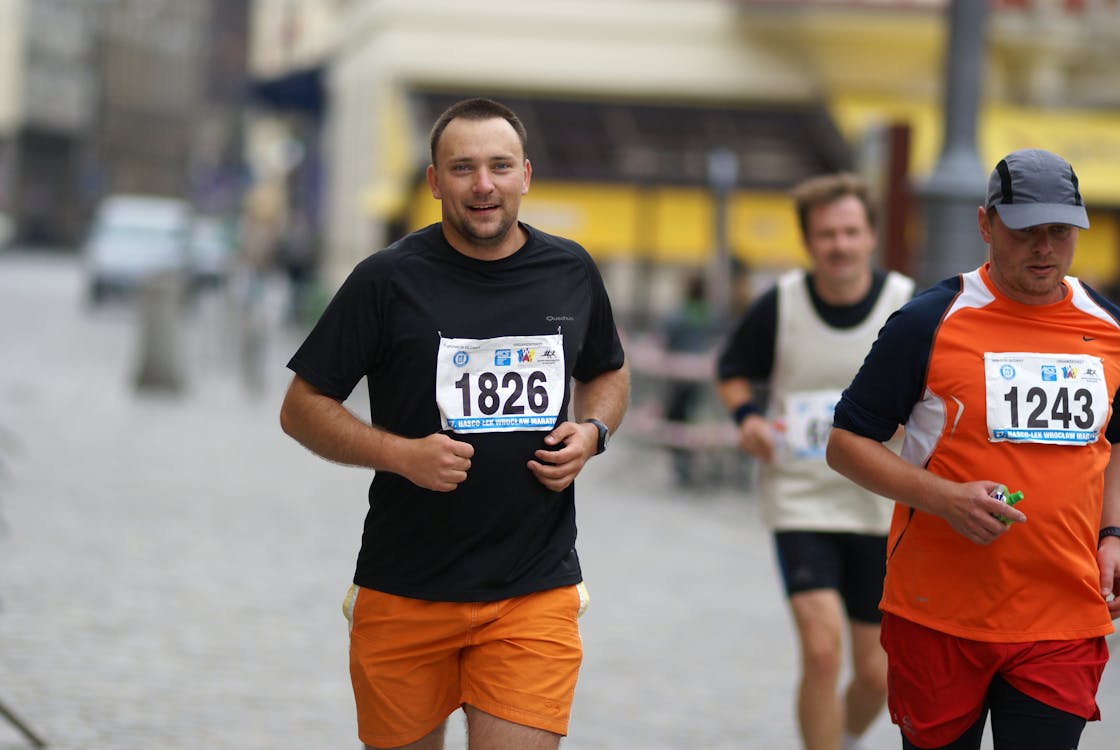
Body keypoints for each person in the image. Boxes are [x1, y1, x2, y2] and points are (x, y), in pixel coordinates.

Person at [279, 97, 629, 750]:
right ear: (435, 182)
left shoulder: (571, 270)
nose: (483, 185)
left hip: (532, 589)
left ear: (525, 174)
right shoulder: (386, 281)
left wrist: (593, 433)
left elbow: (609, 371)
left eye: (499, 166)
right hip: (406, 586)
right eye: (462, 168)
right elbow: (301, 408)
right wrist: (401, 454)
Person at [826, 148, 1120, 750]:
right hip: (939, 614)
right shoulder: (928, 321)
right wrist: (944, 498)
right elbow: (845, 443)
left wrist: (1114, 535)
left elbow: (1115, 444)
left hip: (1061, 615)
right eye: (1024, 230)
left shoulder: (1112, 330)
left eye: (1059, 231)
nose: (1044, 247)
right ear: (986, 226)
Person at [716, 172, 914, 750]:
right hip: (800, 496)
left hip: (880, 506)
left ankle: (842, 738)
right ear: (808, 241)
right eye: (827, 234)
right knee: (822, 650)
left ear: (872, 235)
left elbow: (939, 387)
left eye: (851, 231)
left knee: (877, 675)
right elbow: (732, 370)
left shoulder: (908, 304)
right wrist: (747, 418)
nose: (840, 244)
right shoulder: (780, 303)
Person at [661, 271, 719, 485]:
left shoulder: (677, 315)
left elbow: (666, 340)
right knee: (696, 422)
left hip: (678, 380)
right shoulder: (710, 315)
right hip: (701, 381)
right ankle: (694, 465)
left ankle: (681, 467)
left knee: (677, 421)